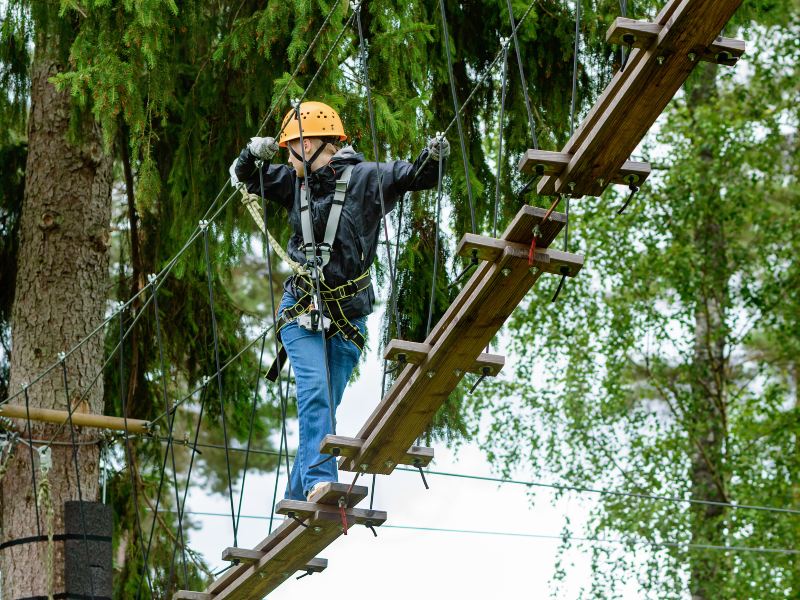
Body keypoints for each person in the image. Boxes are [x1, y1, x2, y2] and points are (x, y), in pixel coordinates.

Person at [230, 101, 449, 501]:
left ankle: (297, 499)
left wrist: (432, 156)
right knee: (315, 392)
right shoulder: (292, 183)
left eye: (288, 148)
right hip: (301, 310)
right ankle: (317, 483)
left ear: (309, 144)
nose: (286, 157)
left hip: (348, 321)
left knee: (323, 413)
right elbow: (245, 176)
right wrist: (251, 153)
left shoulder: (367, 179)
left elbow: (417, 176)